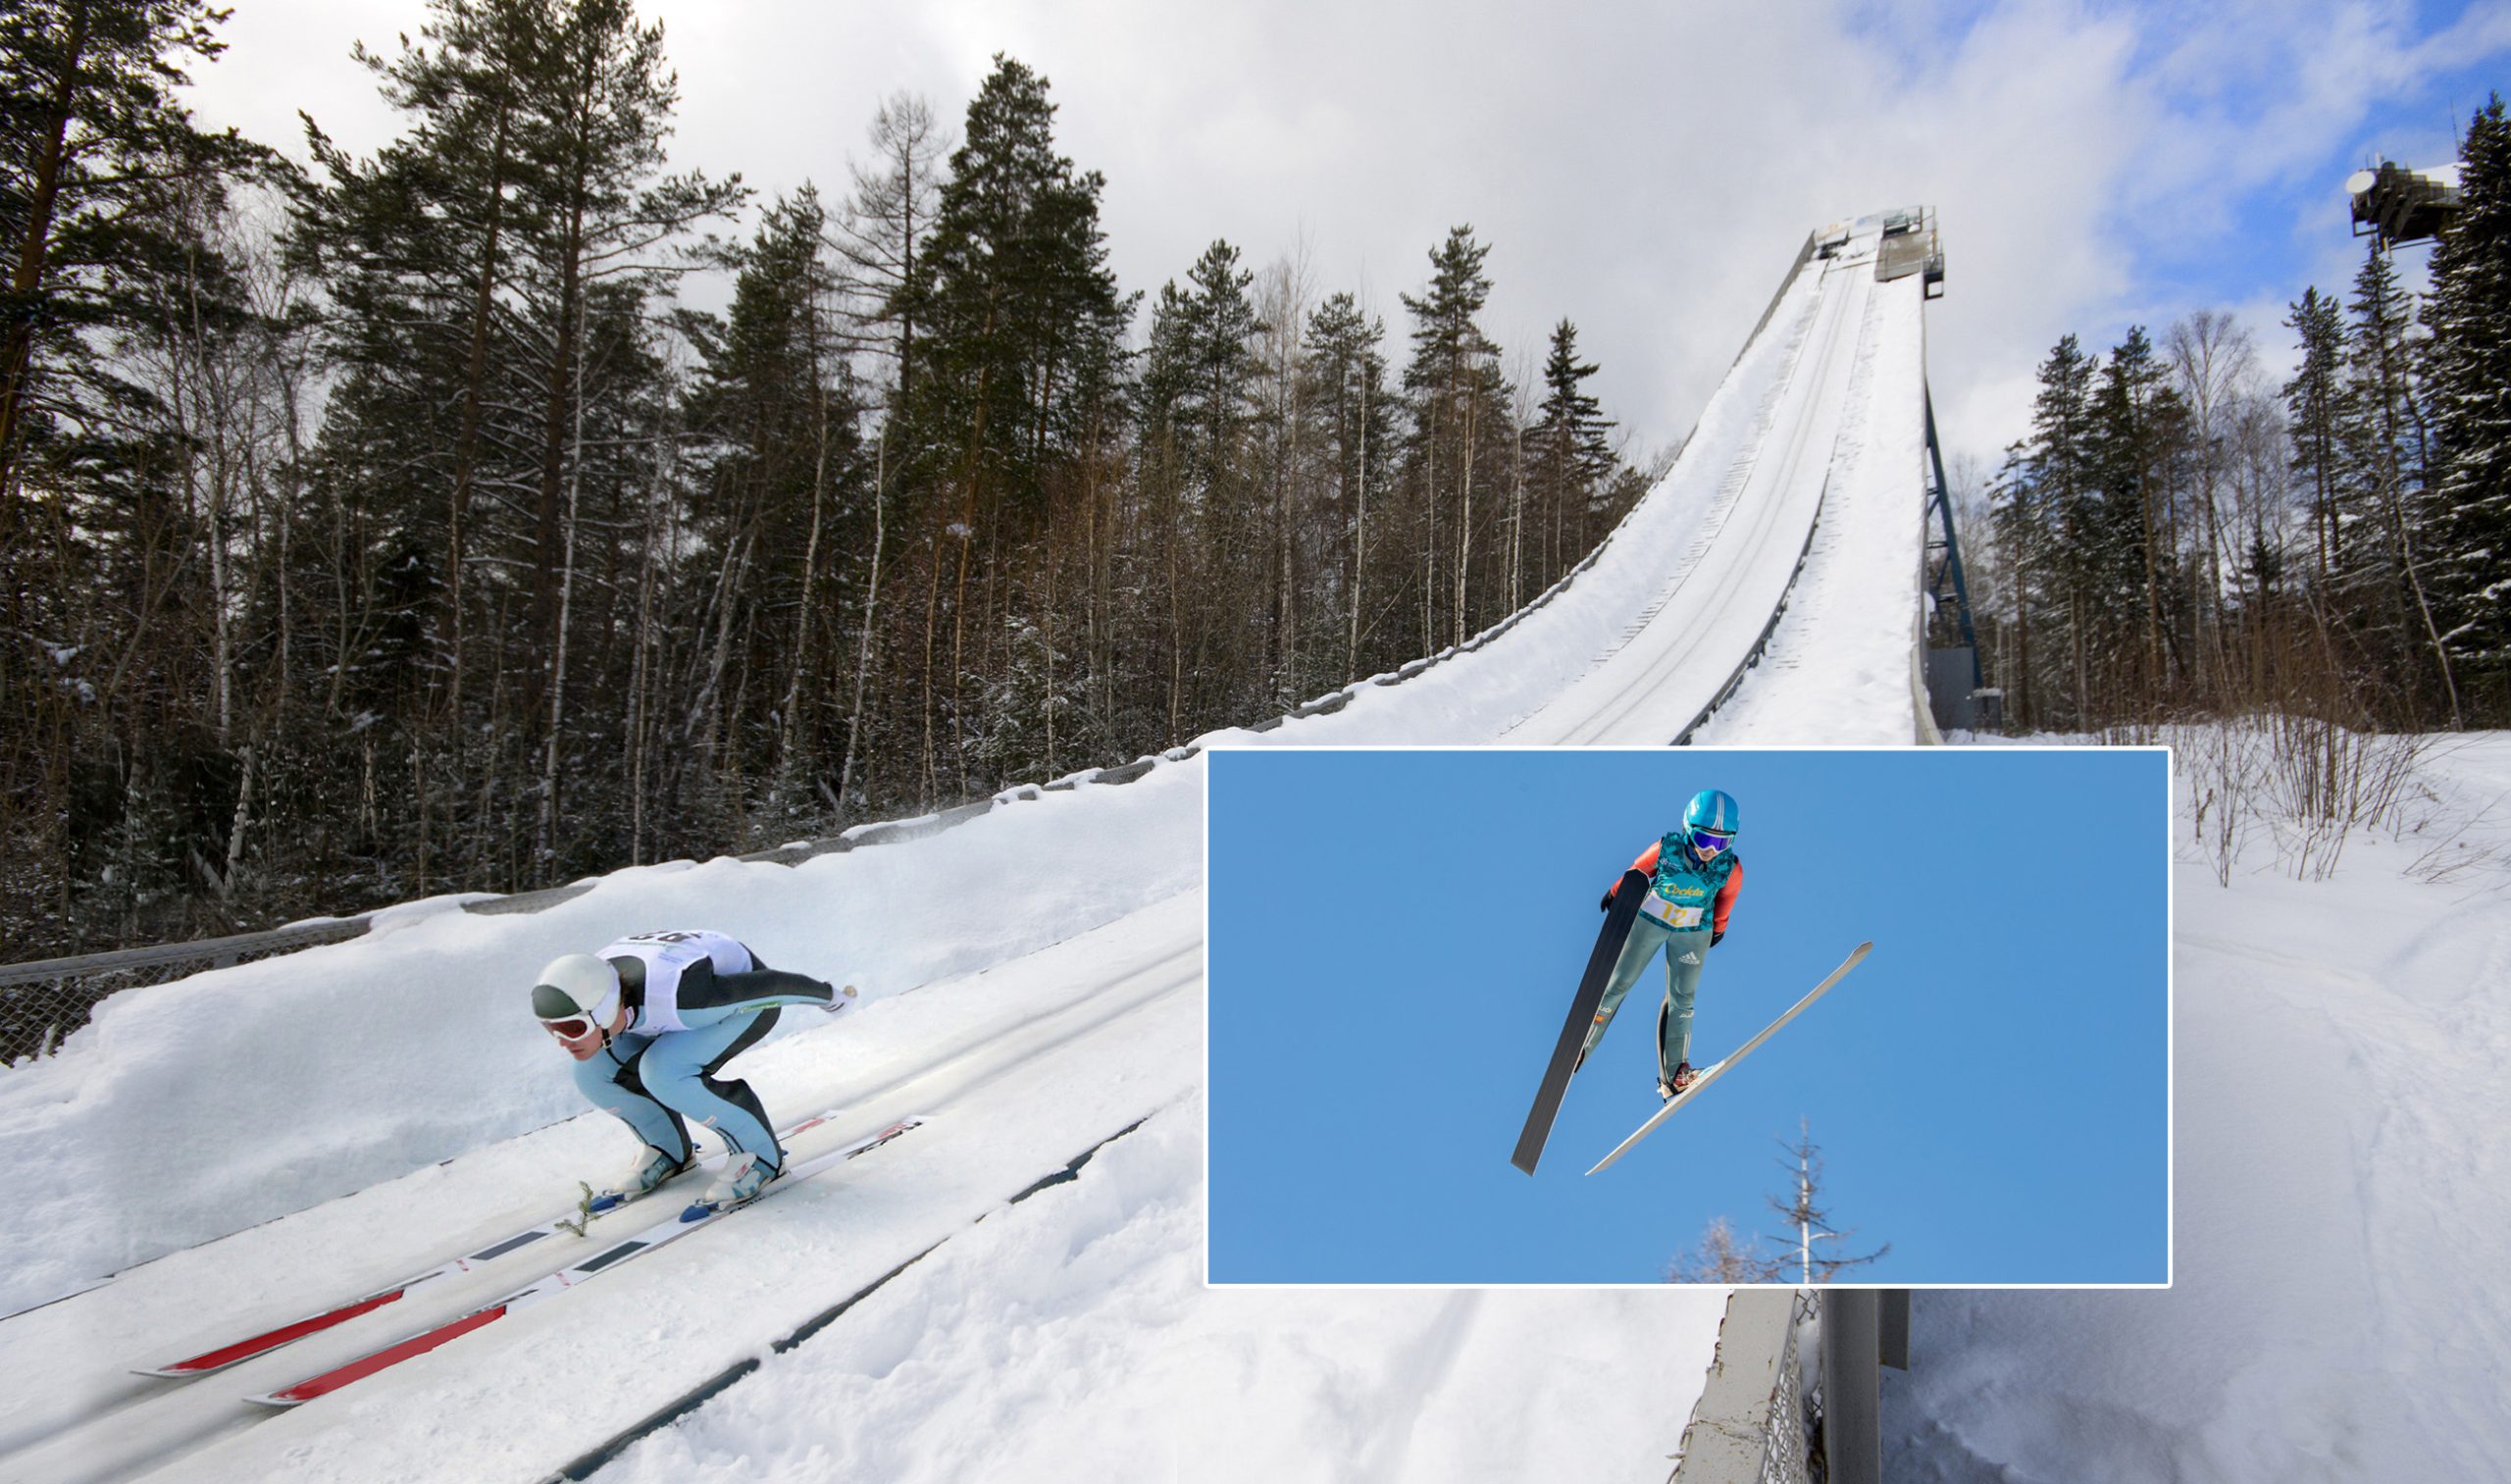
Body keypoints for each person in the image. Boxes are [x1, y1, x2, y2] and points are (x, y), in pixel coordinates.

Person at [530, 929, 853, 1209]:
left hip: (734, 1003)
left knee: (664, 1073)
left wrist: (830, 997)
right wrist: (577, 1027)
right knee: (591, 1074)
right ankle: (667, 1148)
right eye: (550, 1028)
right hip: (653, 997)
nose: (561, 1041)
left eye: (572, 1028)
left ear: (602, 1012)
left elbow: (773, 985)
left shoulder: (683, 996)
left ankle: (759, 1156)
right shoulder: (598, 989)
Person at [1578, 789, 1744, 1100]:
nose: (1710, 850)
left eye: (1721, 843)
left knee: (1683, 999)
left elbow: (1726, 900)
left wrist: (1719, 929)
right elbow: (1638, 870)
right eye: (1704, 839)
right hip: (1651, 920)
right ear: (1688, 829)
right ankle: (1580, 1045)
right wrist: (1617, 893)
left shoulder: (1730, 869)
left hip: (1692, 931)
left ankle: (1676, 1074)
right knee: (1618, 984)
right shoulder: (1667, 848)